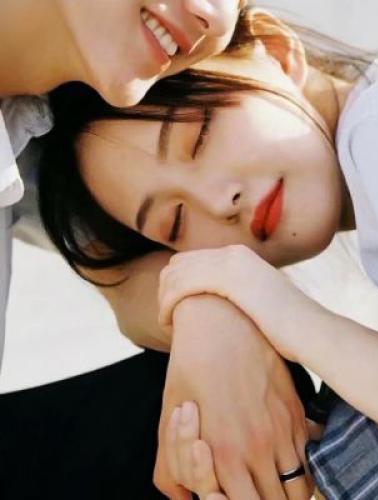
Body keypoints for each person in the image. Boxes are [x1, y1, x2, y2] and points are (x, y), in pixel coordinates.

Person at [37, 5, 378, 499]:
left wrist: (293, 319)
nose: (220, 201)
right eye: (176, 221)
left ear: (276, 53)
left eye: (200, 138)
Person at [1, 2, 301, 499]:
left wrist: (214, 307)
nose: (205, 12)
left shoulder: (50, 126)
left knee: (204, 405)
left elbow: (123, 271)